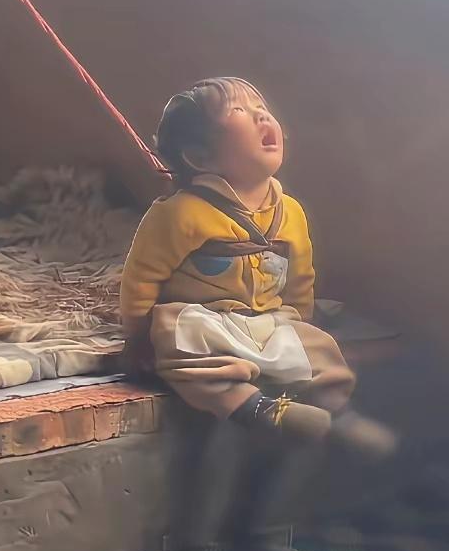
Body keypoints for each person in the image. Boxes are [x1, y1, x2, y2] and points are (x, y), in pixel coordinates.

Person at [120, 77, 397, 461]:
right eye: (239, 111)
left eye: (261, 108)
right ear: (200, 156)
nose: (262, 116)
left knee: (318, 346)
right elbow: (141, 279)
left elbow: (300, 277)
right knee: (178, 340)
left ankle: (337, 410)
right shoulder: (179, 213)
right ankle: (259, 409)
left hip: (267, 319)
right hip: (207, 319)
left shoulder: (290, 212)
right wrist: (138, 336)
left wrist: (298, 322)